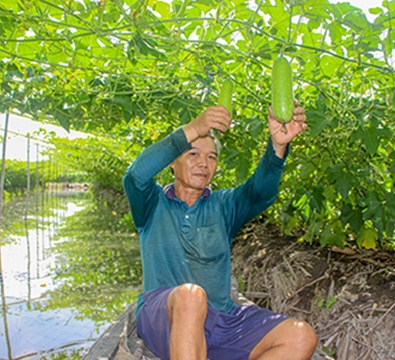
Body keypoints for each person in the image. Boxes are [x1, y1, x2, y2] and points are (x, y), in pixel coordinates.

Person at [123, 102, 318, 360]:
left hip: (221, 320)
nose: (203, 163)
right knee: (191, 296)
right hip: (165, 316)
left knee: (301, 335)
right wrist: (194, 128)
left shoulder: (224, 206)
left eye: (211, 157)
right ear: (172, 163)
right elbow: (135, 176)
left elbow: (259, 193)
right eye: (193, 154)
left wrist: (278, 147)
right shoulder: (152, 203)